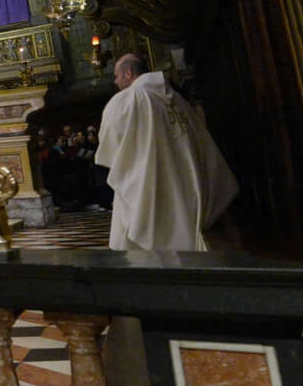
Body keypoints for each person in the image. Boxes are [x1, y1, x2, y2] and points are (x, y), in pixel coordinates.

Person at [96, 54, 239, 251]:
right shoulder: (177, 98)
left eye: (117, 76)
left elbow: (111, 144)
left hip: (150, 180)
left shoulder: (128, 99)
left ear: (128, 73)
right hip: (186, 178)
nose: (115, 81)